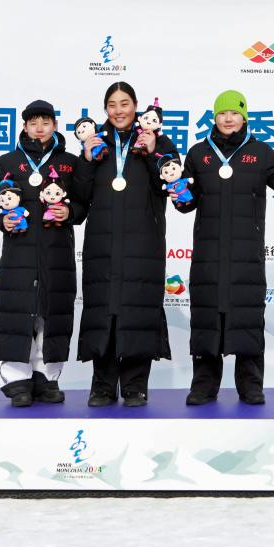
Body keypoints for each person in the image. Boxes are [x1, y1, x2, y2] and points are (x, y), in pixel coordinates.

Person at [172, 90, 274, 405]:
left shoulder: (260, 153)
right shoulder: (198, 154)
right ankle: (203, 386)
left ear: (244, 117)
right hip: (208, 254)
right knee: (207, 318)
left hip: (246, 255)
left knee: (247, 317)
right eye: (222, 113)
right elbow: (187, 203)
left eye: (234, 113)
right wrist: (178, 195)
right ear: (214, 117)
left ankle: (251, 385)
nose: (228, 118)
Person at [73, 82, 178, 407]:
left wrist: (152, 152)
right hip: (102, 243)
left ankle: (135, 385)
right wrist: (86, 159)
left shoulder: (158, 141)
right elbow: (79, 196)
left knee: (138, 310)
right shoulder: (95, 142)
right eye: (112, 104)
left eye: (125, 103)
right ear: (105, 109)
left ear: (136, 105)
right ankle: (102, 385)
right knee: (103, 310)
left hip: (143, 242)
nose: (119, 110)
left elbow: (169, 186)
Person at [0, 99, 87, 407]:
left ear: (55, 125)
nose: (39, 128)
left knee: (52, 314)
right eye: (33, 122)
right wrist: (2, 219)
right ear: (25, 126)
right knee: (19, 314)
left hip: (57, 253)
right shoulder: (8, 161)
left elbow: (83, 201)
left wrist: (70, 212)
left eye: (45, 122)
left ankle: (47, 378)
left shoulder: (69, 162)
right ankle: (17, 381)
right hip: (19, 253)